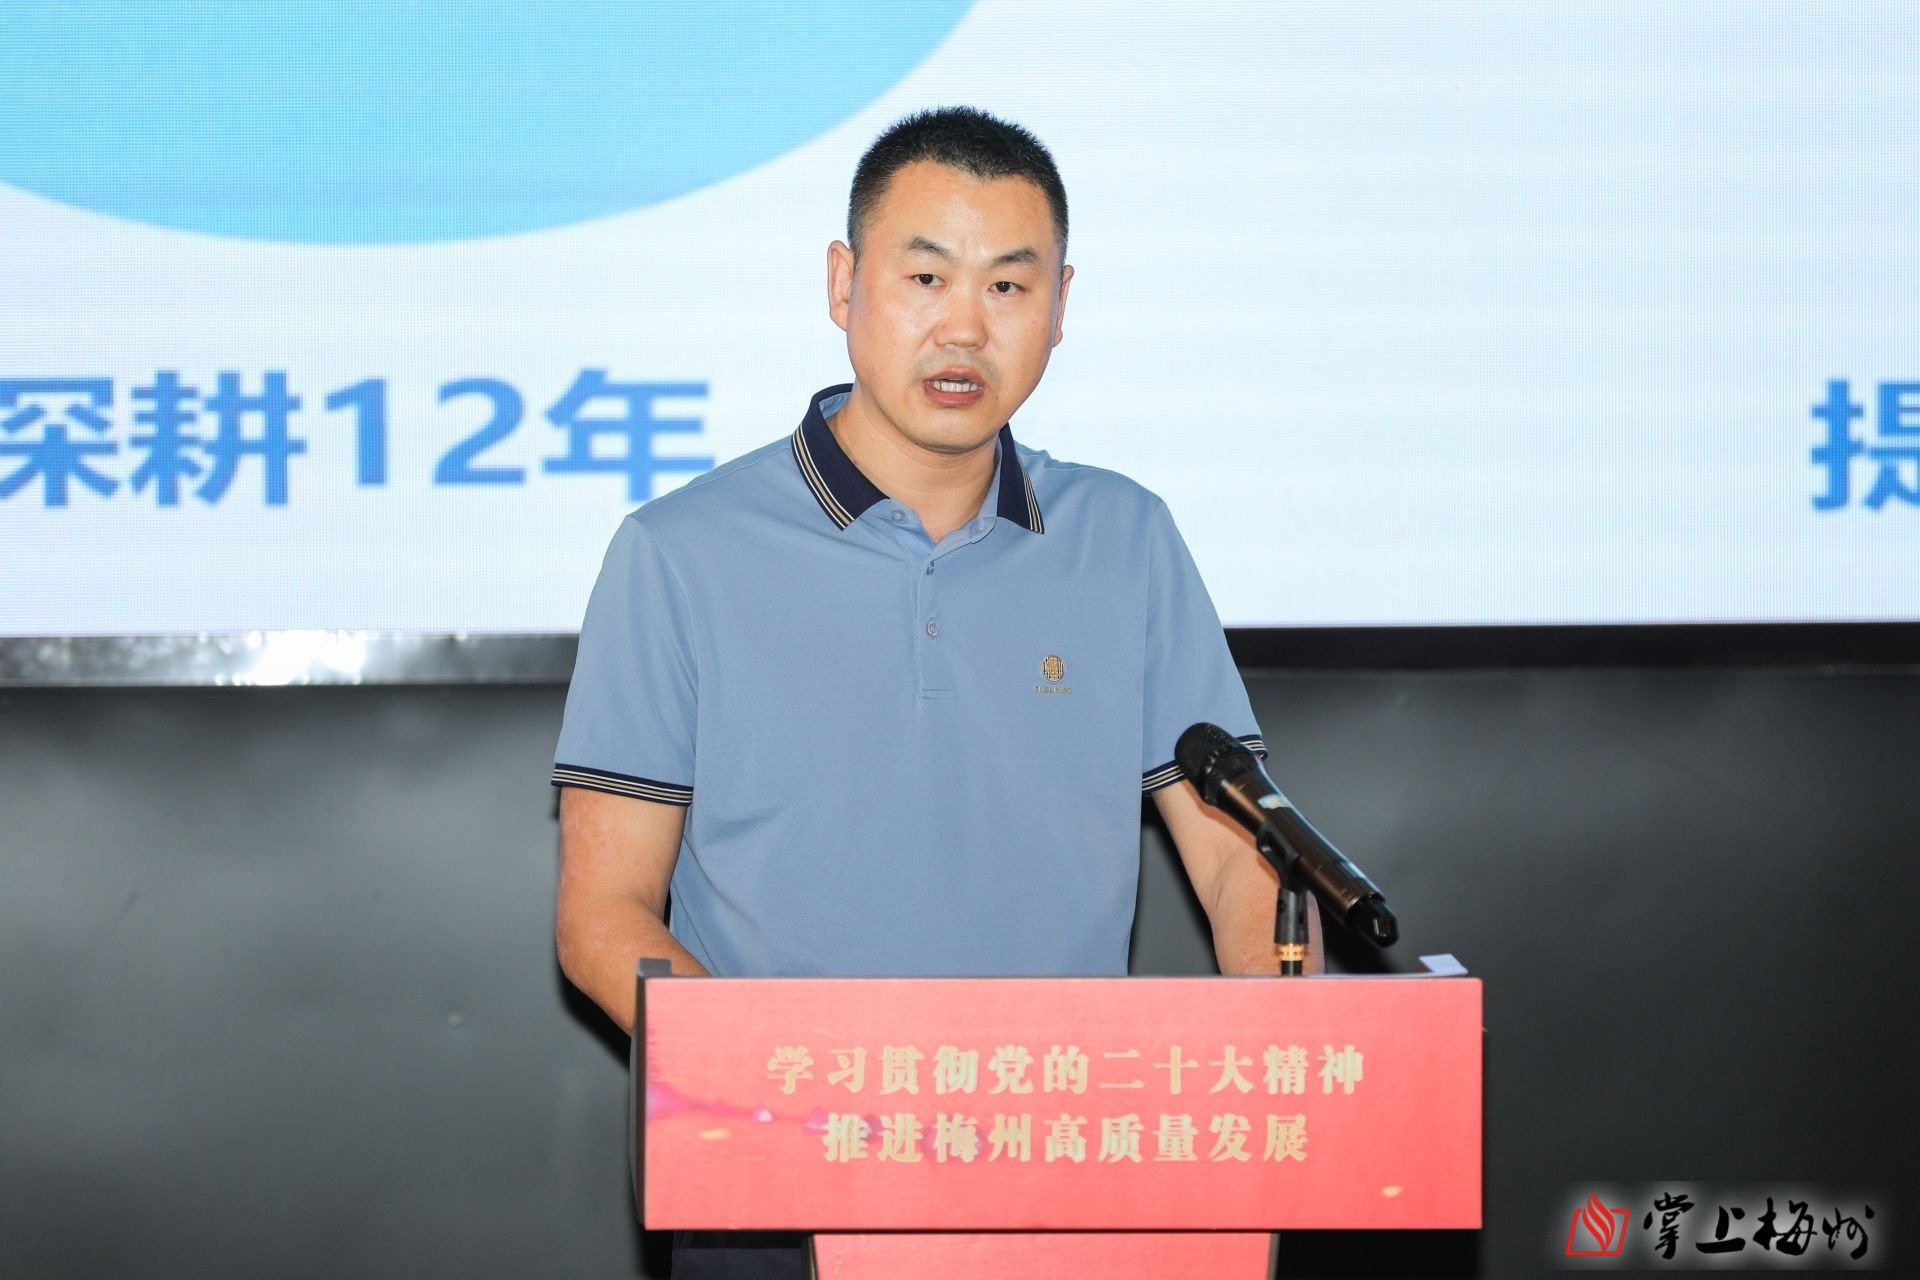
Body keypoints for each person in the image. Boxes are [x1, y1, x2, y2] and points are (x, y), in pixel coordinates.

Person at [551, 106, 1316, 1279]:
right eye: (925, 277)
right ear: (843, 283)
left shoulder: (1125, 538)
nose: (965, 327)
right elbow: (603, 914)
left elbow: (1232, 858)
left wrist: (1280, 1063)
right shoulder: (680, 553)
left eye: (1009, 286)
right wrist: (780, 1090)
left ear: (1060, 303)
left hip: (1065, 1163)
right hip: (782, 1183)